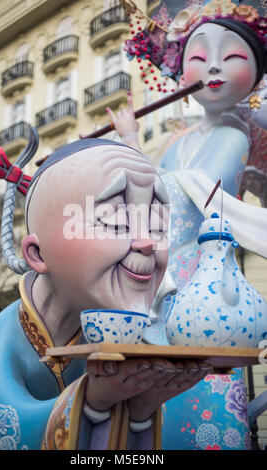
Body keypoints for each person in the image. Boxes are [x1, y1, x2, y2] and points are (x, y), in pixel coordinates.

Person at [0, 135, 213, 450]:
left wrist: (140, 409)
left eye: (157, 226)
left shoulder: (123, 333)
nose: (147, 242)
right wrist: (94, 400)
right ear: (38, 255)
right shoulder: (1, 343)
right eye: (114, 220)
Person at [107, 0, 267, 450]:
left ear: (253, 76)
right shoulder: (177, 141)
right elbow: (153, 196)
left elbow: (188, 191)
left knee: (205, 389)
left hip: (205, 277)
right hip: (161, 274)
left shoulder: (234, 136)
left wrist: (134, 148)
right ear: (182, 75)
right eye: (199, 57)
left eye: (232, 56)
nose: (213, 66)